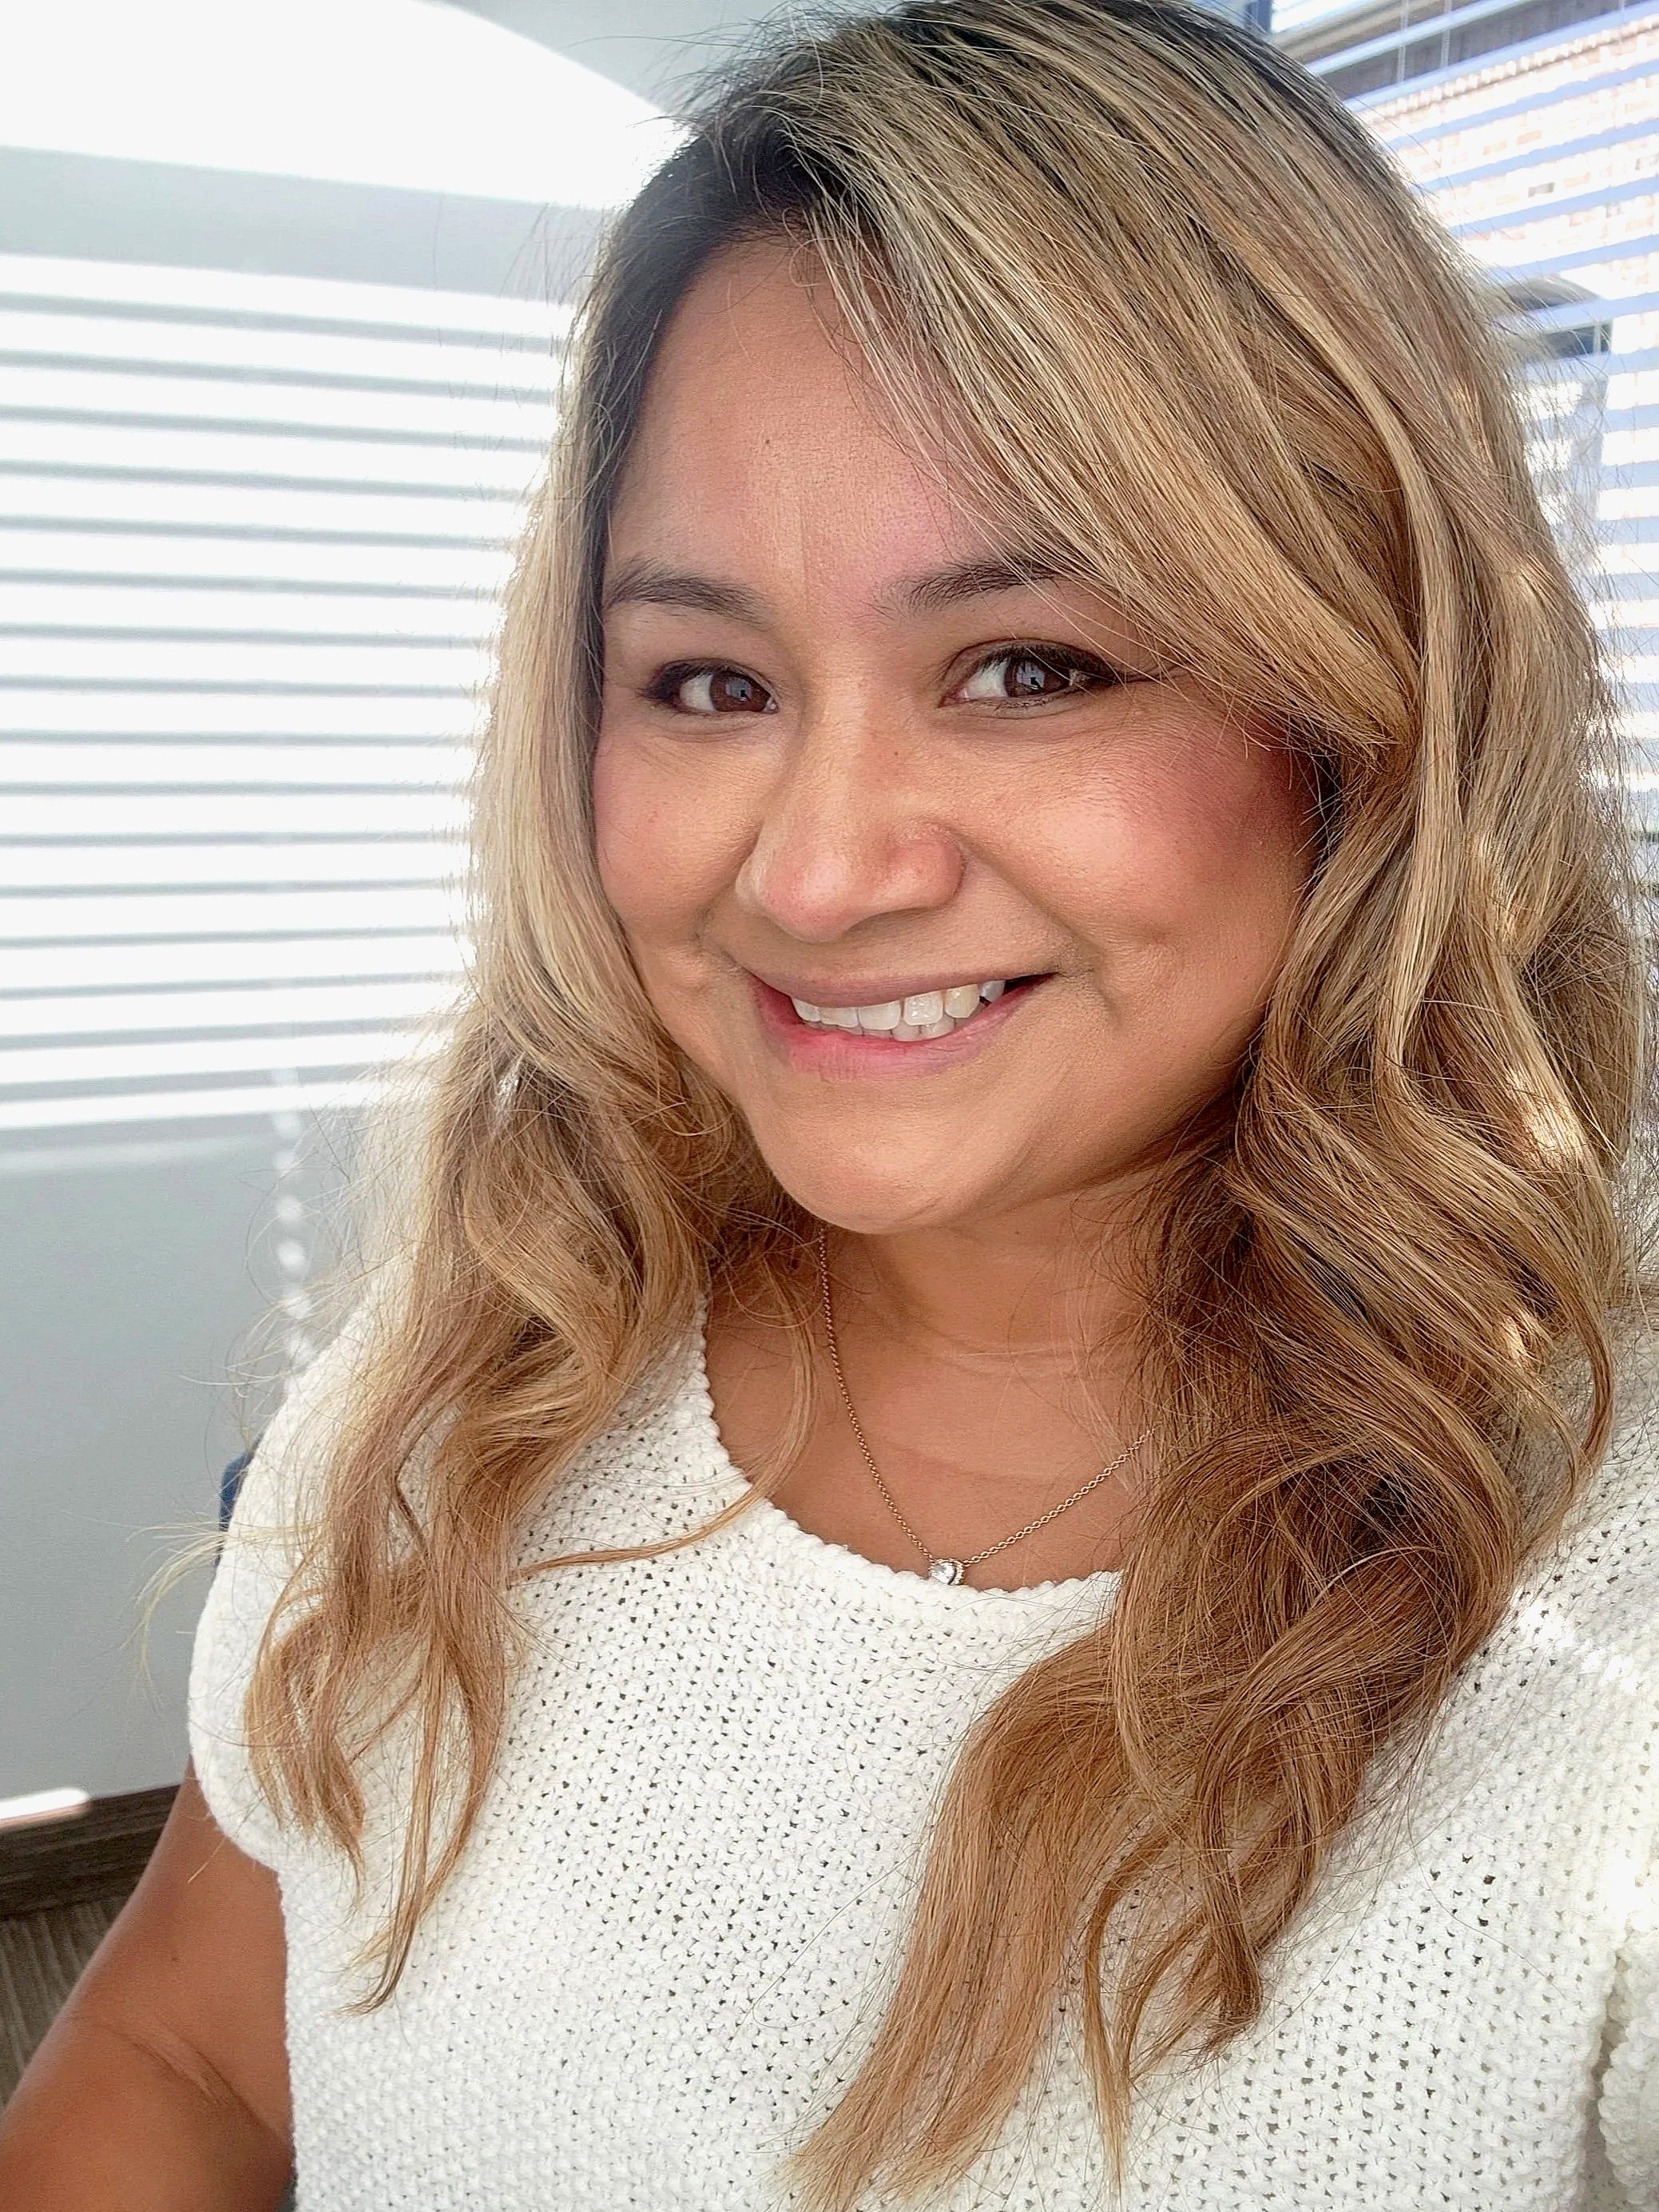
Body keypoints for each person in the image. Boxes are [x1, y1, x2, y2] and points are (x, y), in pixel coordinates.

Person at [3, 0, 1657, 2204]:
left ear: (1363, 695)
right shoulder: (486, 1365)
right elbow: (197, 2056)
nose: (810, 864)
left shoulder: (1598, 1629)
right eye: (708, 680)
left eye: (1029, 665)